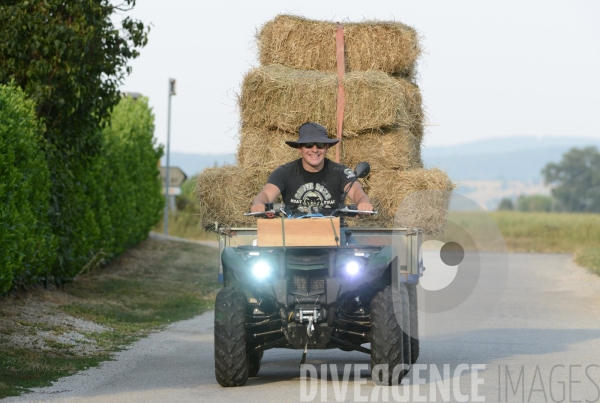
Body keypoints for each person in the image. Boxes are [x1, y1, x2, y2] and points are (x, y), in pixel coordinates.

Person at [251, 122, 373, 216]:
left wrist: (363, 203)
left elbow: (358, 193)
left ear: (326, 147)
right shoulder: (284, 172)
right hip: (293, 235)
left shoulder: (340, 172)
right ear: (299, 148)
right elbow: (266, 195)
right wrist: (259, 204)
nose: (314, 150)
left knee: (359, 248)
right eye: (308, 145)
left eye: (320, 145)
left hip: (335, 236)